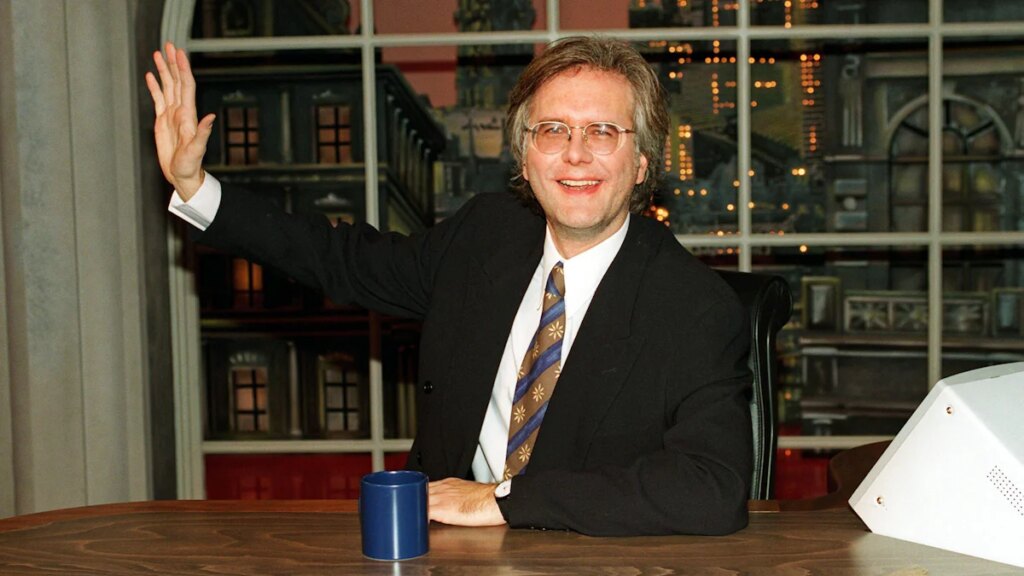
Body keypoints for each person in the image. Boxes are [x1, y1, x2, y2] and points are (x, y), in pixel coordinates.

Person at [147, 36, 752, 537]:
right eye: (552, 130)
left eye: (602, 132)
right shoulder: (483, 236)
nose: (575, 155)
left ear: (642, 162)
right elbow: (339, 258)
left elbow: (712, 489)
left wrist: (501, 500)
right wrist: (197, 188)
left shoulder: (695, 307)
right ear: (524, 157)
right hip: (438, 551)